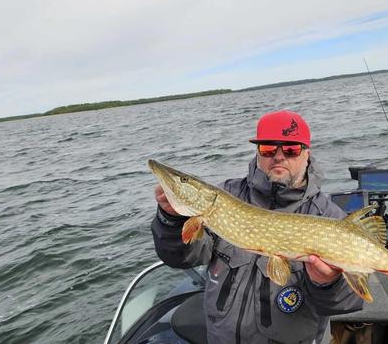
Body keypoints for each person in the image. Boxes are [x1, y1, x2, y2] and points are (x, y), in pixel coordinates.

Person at [152, 110, 363, 344]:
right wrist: (172, 219)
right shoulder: (228, 195)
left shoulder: (327, 215)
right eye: (268, 149)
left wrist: (327, 283)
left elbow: (348, 302)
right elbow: (182, 258)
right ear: (258, 153)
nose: (279, 156)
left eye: (291, 149)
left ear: (307, 154)